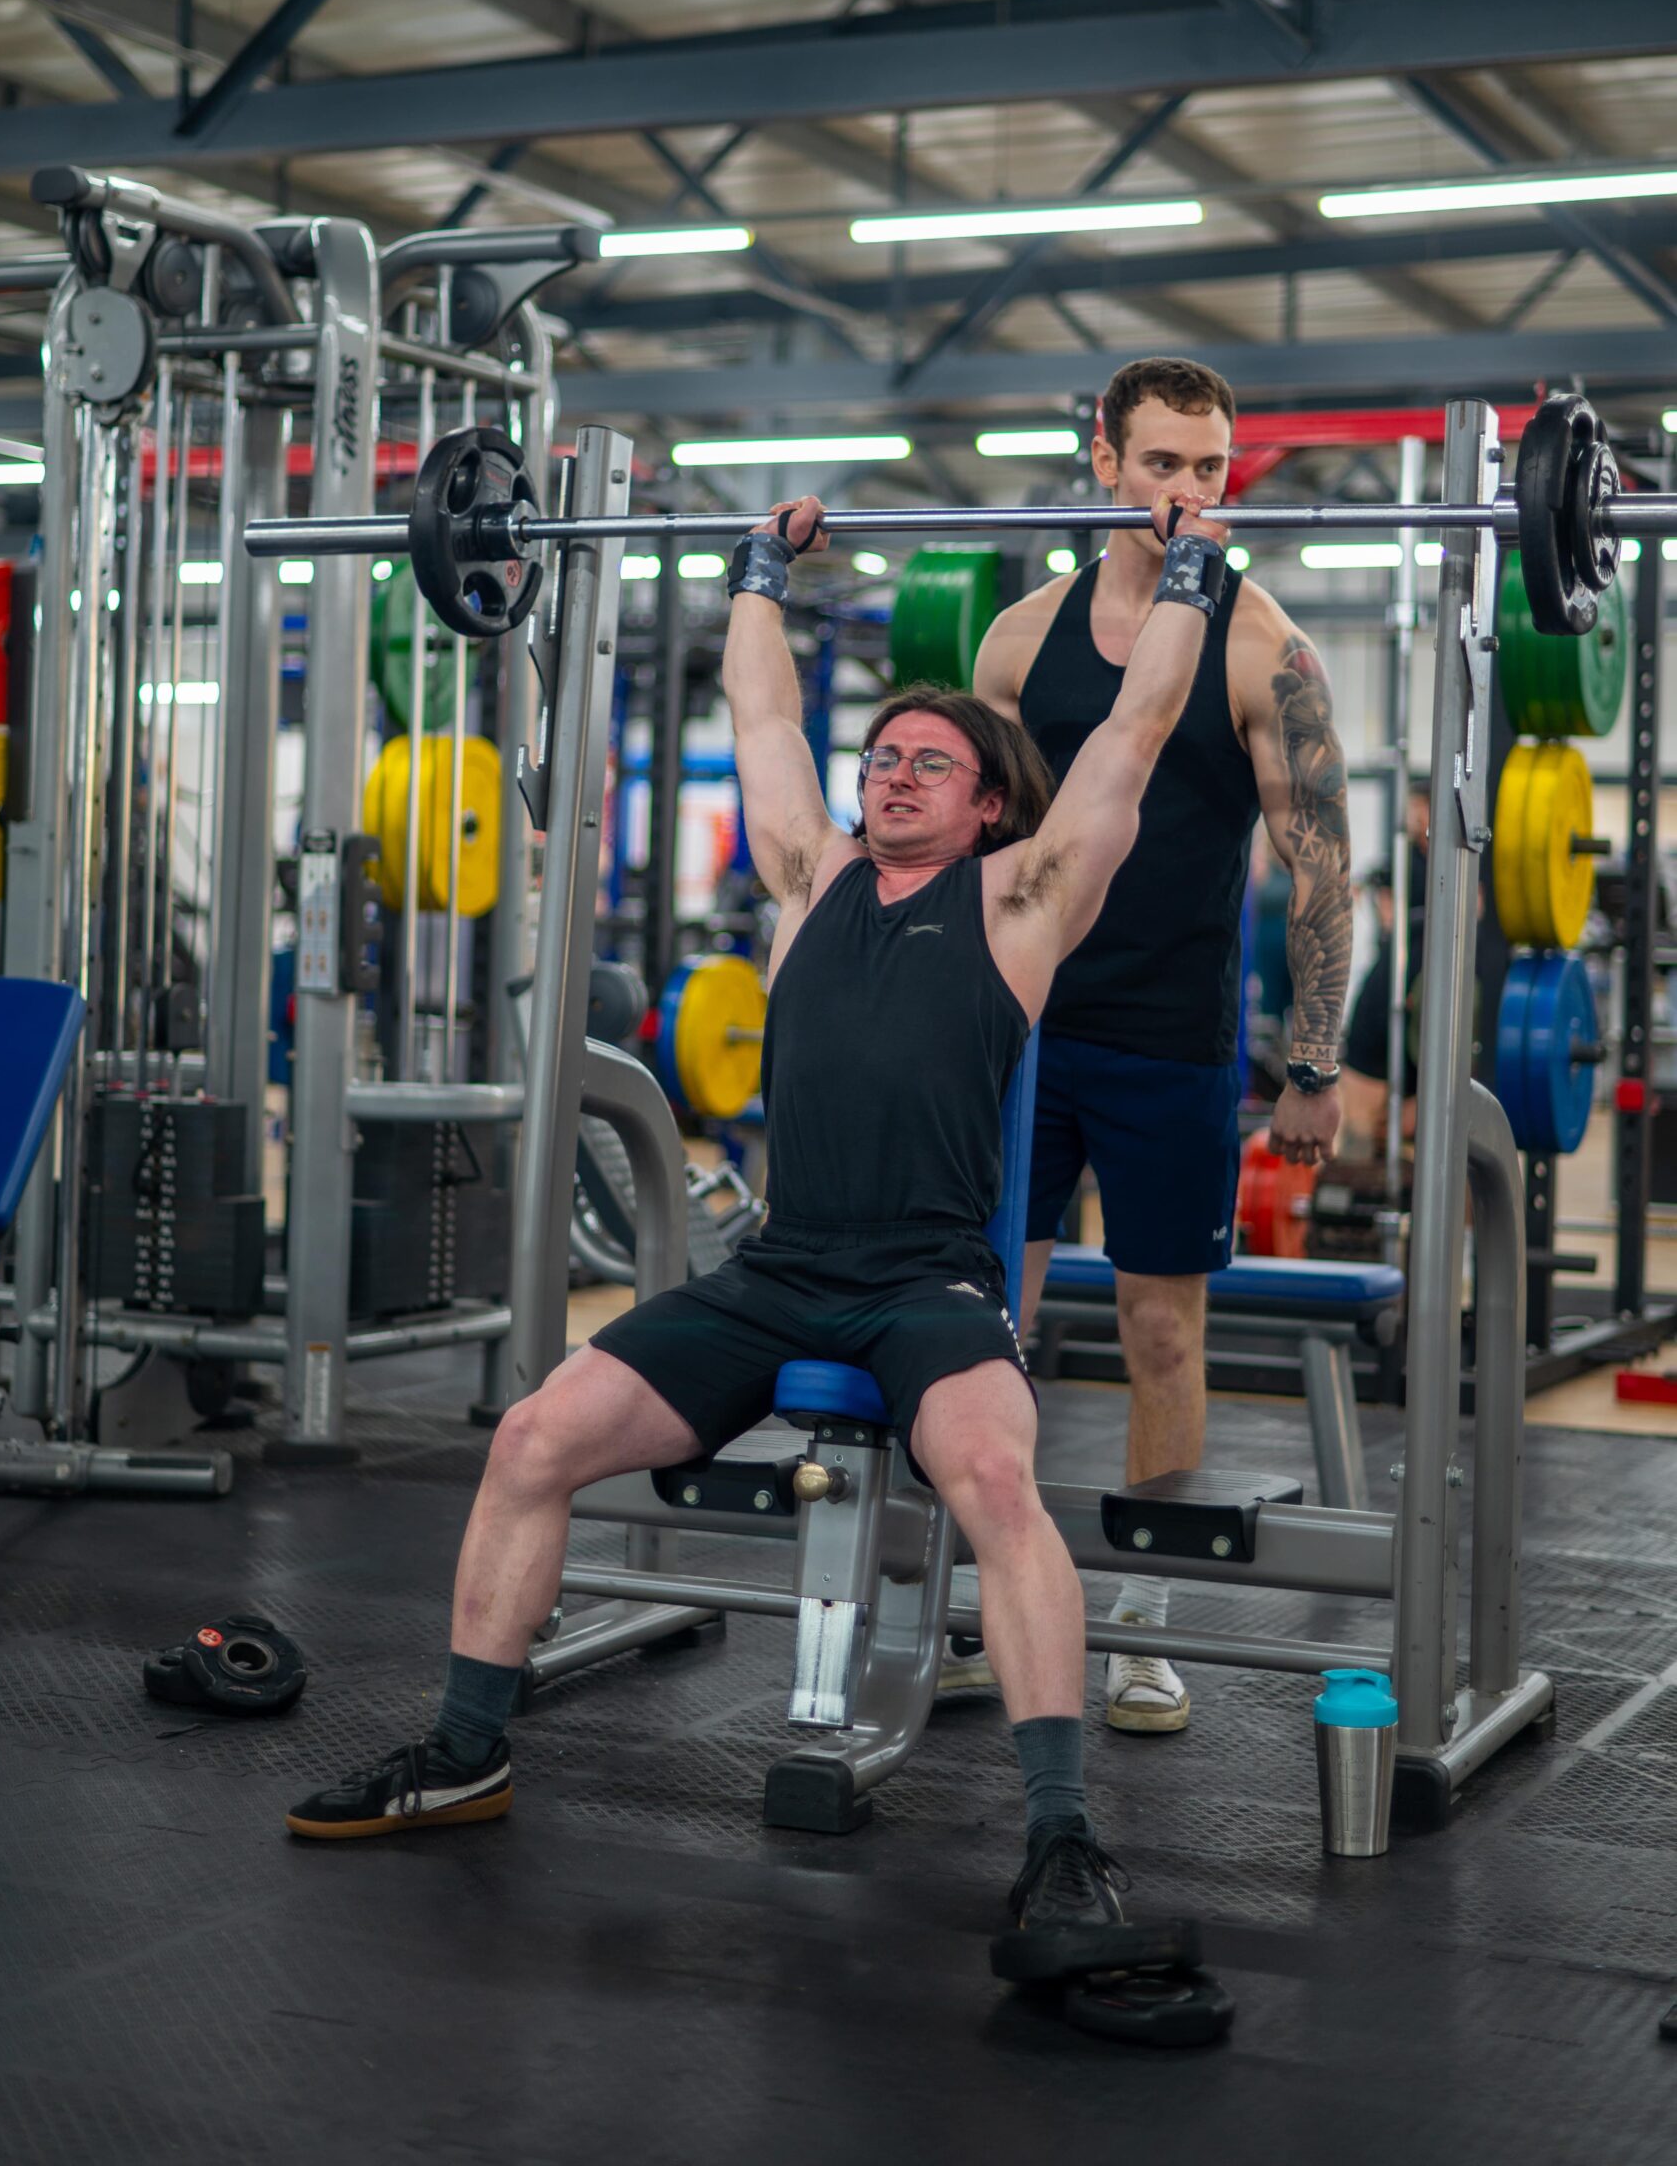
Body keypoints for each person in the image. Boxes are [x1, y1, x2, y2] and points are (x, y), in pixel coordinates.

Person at [284, 488, 1230, 1978]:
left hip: (929, 1282)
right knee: (534, 1437)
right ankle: (467, 1748)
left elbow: (1136, 737)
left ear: (993, 803)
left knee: (996, 1473)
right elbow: (767, 713)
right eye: (885, 761)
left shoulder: (1026, 898)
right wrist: (754, 575)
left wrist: (1186, 568)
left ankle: (1060, 1838)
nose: (895, 776)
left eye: (933, 763)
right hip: (780, 1272)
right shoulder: (811, 881)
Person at [974, 356, 1352, 1735]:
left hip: (1175, 1048)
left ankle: (1139, 1620)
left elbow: (1321, 867)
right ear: (1104, 460)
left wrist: (1311, 1063)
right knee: (981, 1327)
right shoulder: (1020, 641)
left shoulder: (1267, 648)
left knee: (1156, 1333)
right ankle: (990, 1600)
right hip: (1022, 1033)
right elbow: (986, 848)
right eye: (1165, 466)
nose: (1191, 494)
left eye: (1211, 469)